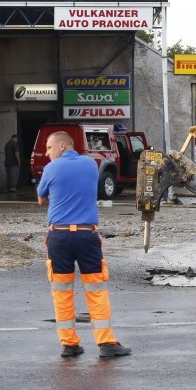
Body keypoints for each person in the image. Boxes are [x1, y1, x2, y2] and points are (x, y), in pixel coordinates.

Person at [37, 131, 130, 358]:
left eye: (49, 148)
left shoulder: (51, 169)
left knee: (61, 291)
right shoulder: (90, 164)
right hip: (87, 236)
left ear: (61, 146)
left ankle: (69, 345)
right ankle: (106, 343)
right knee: (96, 289)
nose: (47, 153)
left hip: (58, 237)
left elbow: (41, 199)